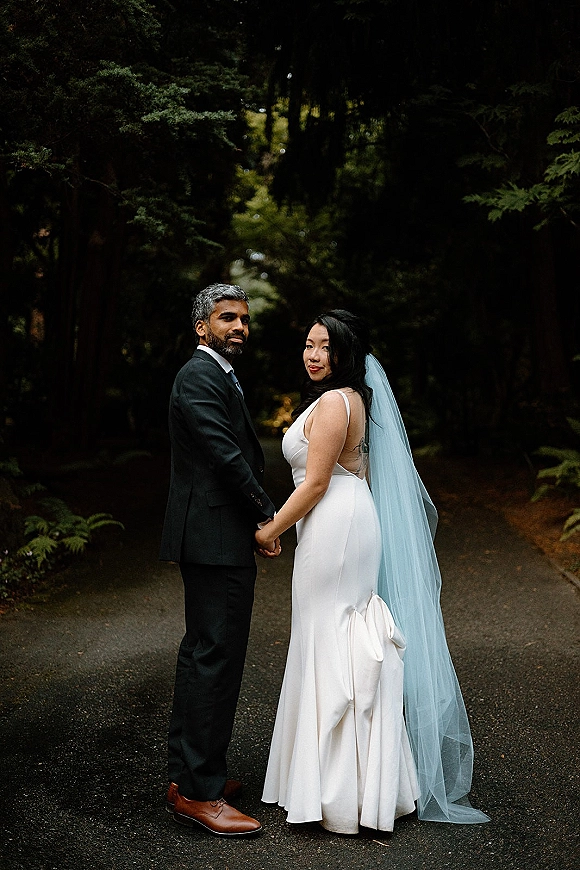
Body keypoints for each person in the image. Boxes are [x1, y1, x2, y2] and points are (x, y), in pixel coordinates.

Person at [256, 309, 489, 833]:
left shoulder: (338, 403)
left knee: (332, 639)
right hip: (339, 520)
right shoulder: (344, 400)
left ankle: (340, 789)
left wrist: (269, 530)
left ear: (345, 355)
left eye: (325, 348)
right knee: (326, 636)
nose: (313, 355)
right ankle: (331, 780)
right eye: (309, 345)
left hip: (335, 523)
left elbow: (315, 483)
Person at [159, 283, 280, 837]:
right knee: (217, 657)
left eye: (244, 320)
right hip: (215, 535)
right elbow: (226, 455)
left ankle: (188, 777)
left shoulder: (215, 374)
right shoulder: (199, 376)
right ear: (201, 327)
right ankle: (203, 795)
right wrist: (267, 515)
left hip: (211, 535)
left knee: (201, 653)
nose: (239, 327)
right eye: (227, 318)